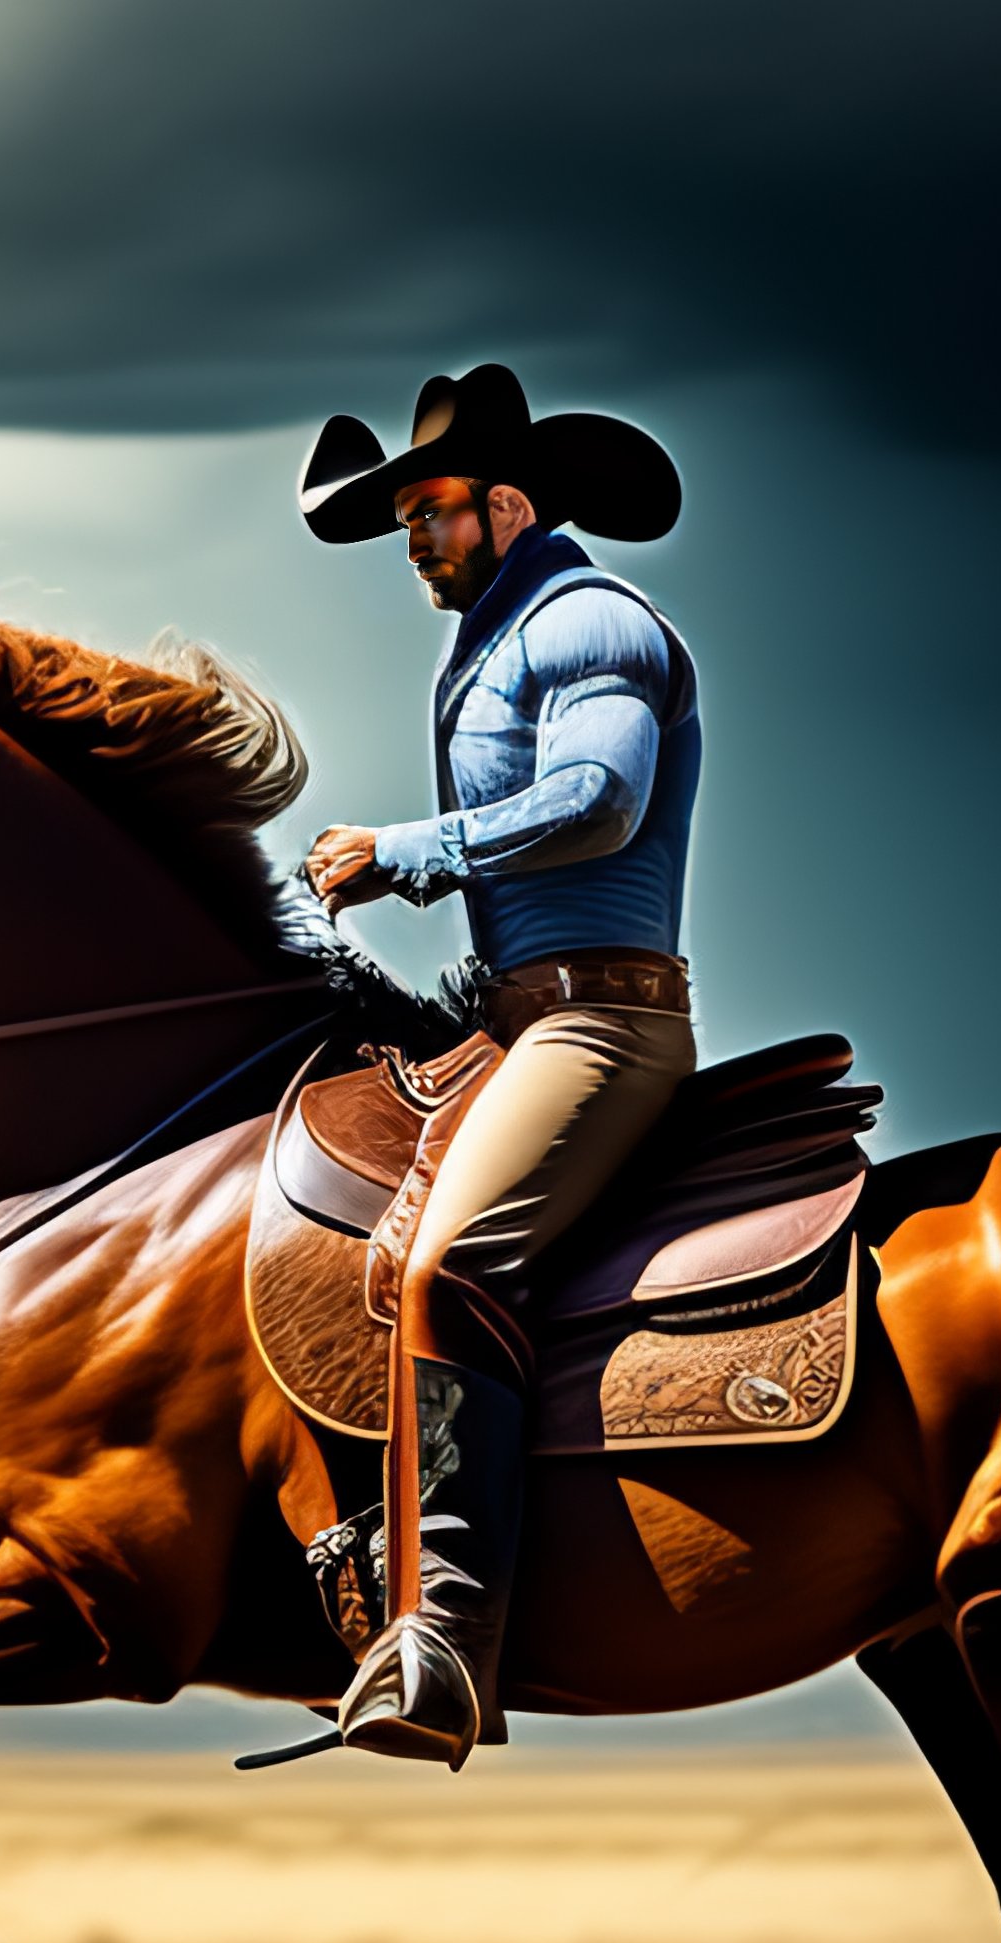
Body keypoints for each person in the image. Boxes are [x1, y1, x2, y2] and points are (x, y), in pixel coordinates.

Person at [296, 362, 700, 1766]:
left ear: (509, 505)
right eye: (404, 517)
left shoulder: (589, 622)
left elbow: (600, 800)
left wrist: (404, 851)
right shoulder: (493, 637)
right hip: (518, 1014)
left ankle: (449, 1644)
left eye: (432, 512)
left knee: (450, 1263)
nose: (413, 539)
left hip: (601, 1025)